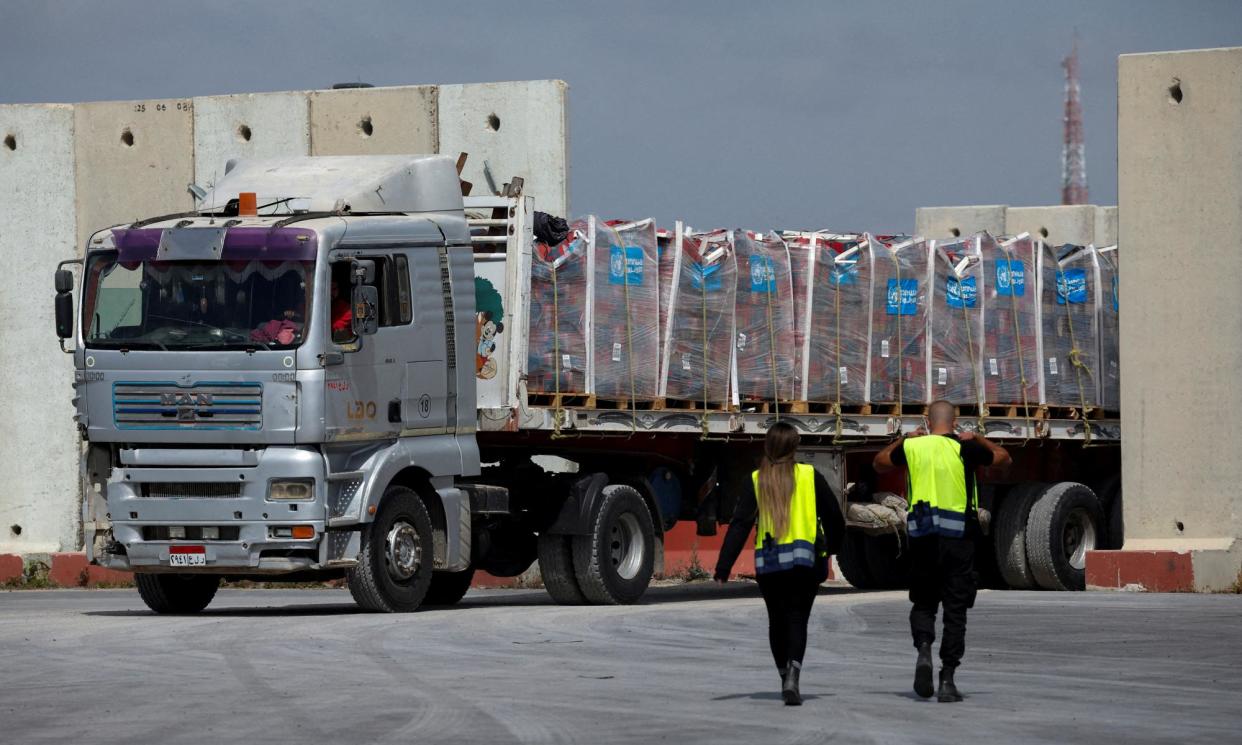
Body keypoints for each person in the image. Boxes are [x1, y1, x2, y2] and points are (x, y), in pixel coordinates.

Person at [873, 400, 1011, 703]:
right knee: (955, 609)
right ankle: (947, 679)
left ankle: (924, 648)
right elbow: (1004, 458)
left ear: (926, 420)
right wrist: (977, 438)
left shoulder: (915, 447)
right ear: (956, 420)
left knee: (923, 602)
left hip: (923, 537)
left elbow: (879, 462)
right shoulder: (964, 448)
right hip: (958, 538)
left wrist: (904, 440)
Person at [714, 422, 844, 706]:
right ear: (795, 446)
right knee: (798, 618)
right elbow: (834, 515)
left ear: (767, 447)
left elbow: (740, 525)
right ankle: (793, 676)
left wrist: (724, 567)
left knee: (777, 621)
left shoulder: (757, 479)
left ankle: (783, 674)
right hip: (805, 562)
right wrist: (834, 548)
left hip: (770, 564)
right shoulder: (810, 476)